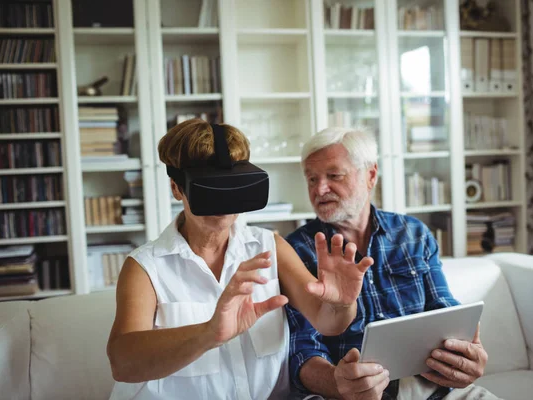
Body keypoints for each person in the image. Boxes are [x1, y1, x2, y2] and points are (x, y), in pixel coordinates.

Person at [106, 120, 375, 400]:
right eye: (209, 189)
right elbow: (122, 363)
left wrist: (342, 303)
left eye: (232, 186)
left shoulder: (270, 247)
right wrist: (209, 333)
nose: (222, 202)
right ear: (177, 188)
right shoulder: (145, 266)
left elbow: (328, 321)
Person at [285, 127, 498, 400]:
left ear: (370, 175)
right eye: (312, 179)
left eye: (333, 176)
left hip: (430, 387)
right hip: (348, 395)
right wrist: (338, 383)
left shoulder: (413, 234)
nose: (320, 189)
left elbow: (444, 310)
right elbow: (301, 351)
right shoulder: (296, 250)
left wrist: (465, 354)